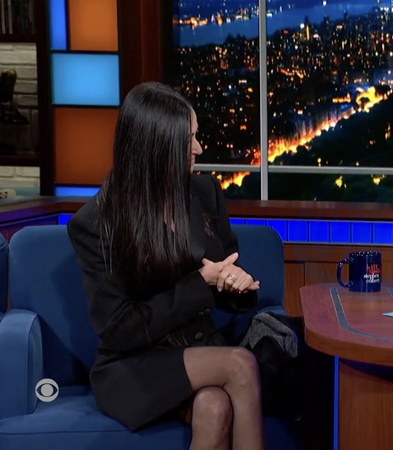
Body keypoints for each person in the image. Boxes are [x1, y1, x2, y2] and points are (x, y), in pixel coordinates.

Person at [68, 82, 266, 450]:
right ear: (156, 146)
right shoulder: (97, 223)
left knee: (214, 406)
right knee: (240, 364)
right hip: (135, 365)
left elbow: (228, 274)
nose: (199, 148)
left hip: (200, 351)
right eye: (188, 139)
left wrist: (235, 282)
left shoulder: (204, 193)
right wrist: (201, 283)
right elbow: (120, 329)